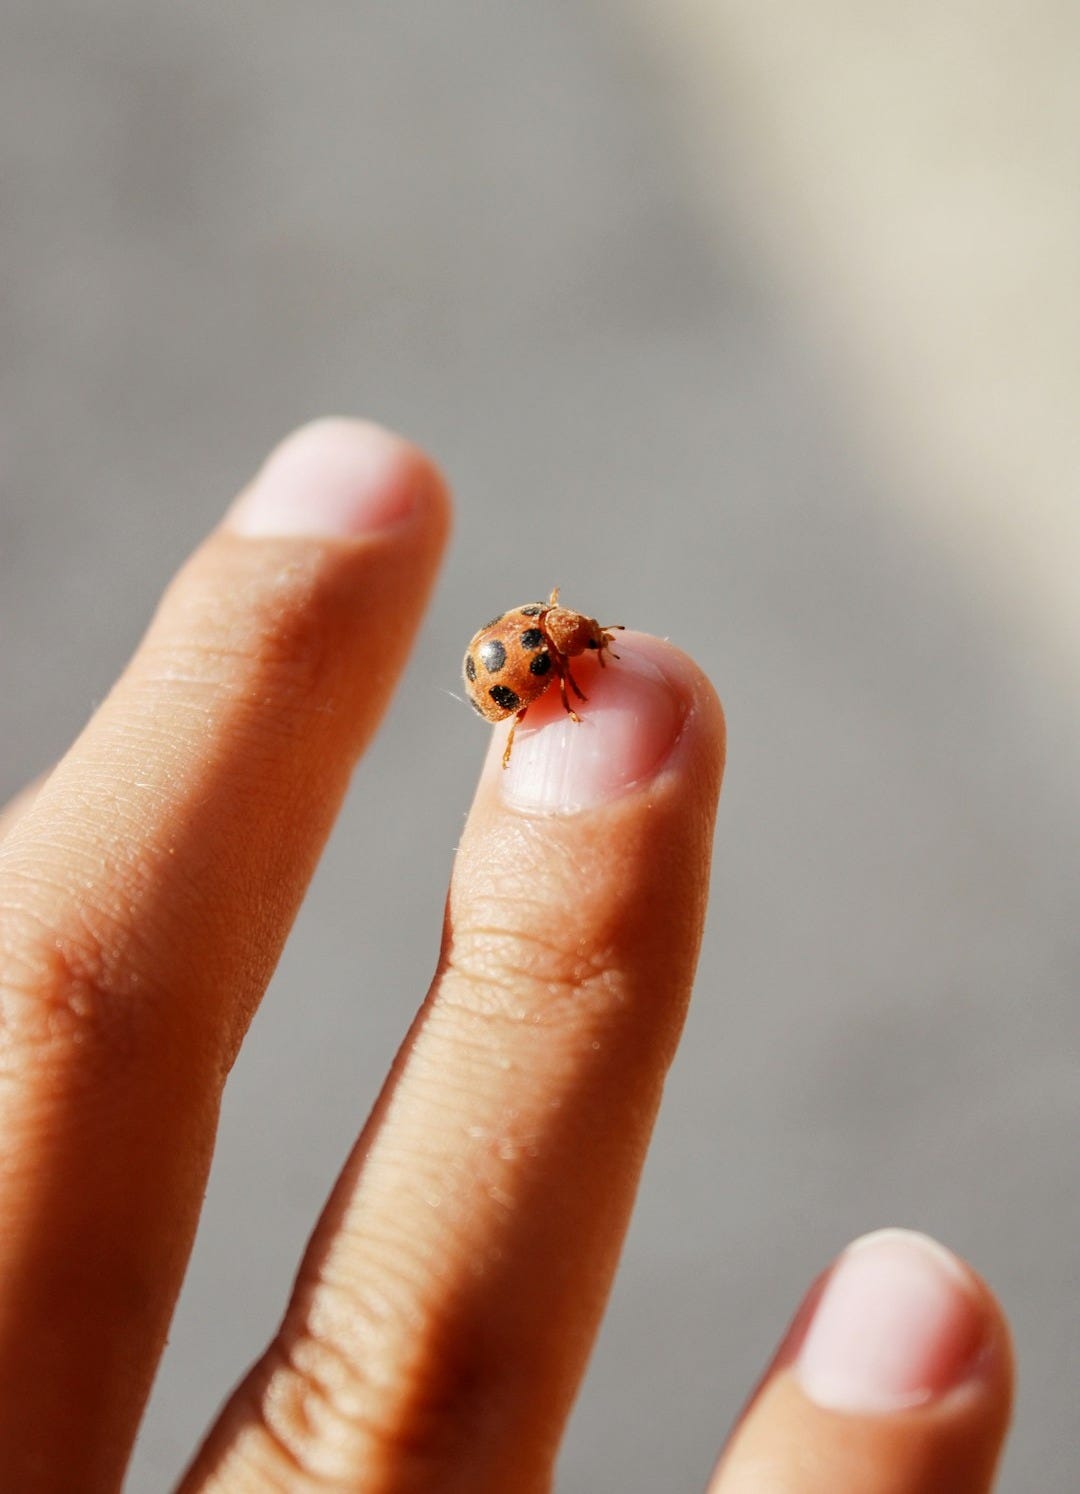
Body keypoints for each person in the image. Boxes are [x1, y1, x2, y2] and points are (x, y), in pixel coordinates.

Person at [0, 420, 1013, 1492]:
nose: (580, 648)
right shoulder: (548, 656)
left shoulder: (548, 646)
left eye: (570, 646)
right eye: (574, 647)